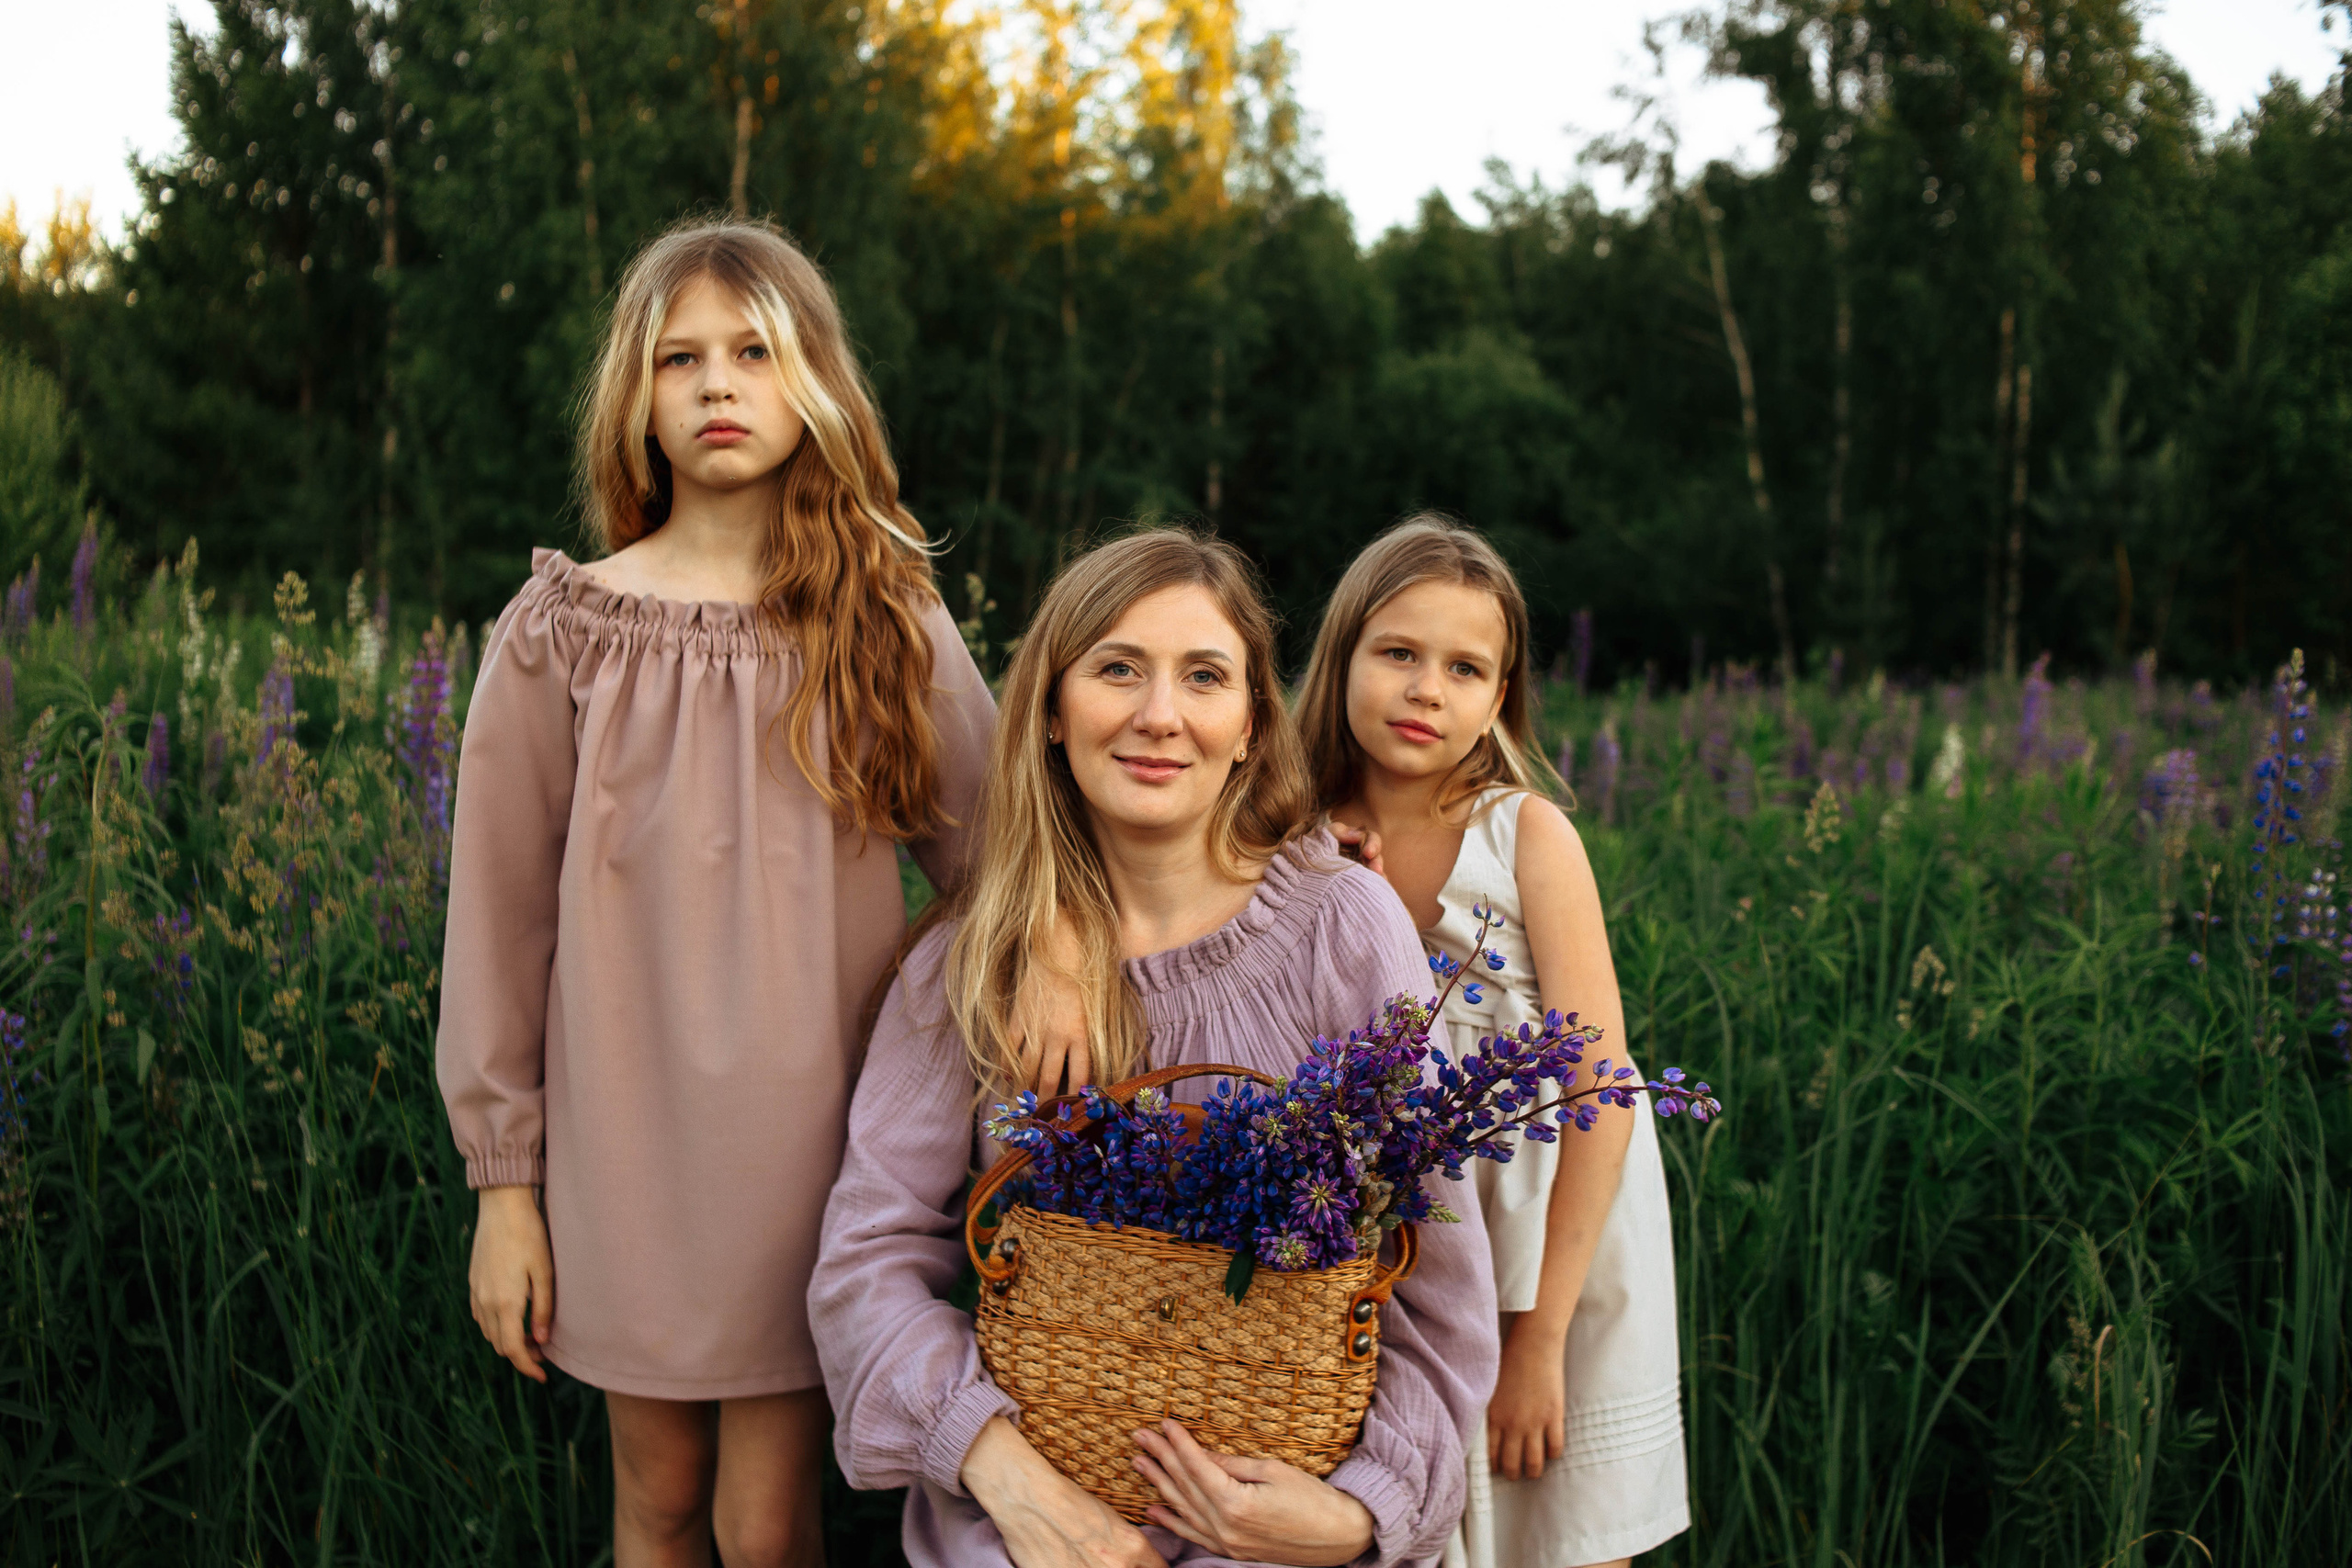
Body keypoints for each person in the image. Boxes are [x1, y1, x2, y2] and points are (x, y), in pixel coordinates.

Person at [435, 217, 996, 1568]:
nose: (717, 384)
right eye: (679, 358)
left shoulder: (885, 618)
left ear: (815, 382)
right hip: (627, 1144)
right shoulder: (564, 629)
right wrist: (503, 1183)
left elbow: (998, 861)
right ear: (636, 397)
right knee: (663, 1495)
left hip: (819, 1143)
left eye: (753, 351)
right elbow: (500, 925)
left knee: (766, 1520)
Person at [809, 527, 1498, 1568]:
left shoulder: (1342, 929)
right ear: (1049, 707)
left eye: (1204, 677)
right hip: (1028, 1526)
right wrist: (1007, 1478)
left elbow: (1438, 1284)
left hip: (1276, 1523)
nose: (1158, 716)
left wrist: (1360, 1514)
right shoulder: (971, 962)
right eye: (1116, 669)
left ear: (1250, 726)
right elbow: (866, 1262)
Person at [1295, 516, 1688, 1568]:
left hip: (1558, 1247)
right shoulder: (1295, 840)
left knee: (1562, 1529)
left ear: (1498, 700)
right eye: (1398, 654)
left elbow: (1601, 1087)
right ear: (1340, 662)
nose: (1428, 689)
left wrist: (1541, 1340)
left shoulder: (1526, 836)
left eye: (1465, 669)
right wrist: (1351, 910)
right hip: (1401, 1253)